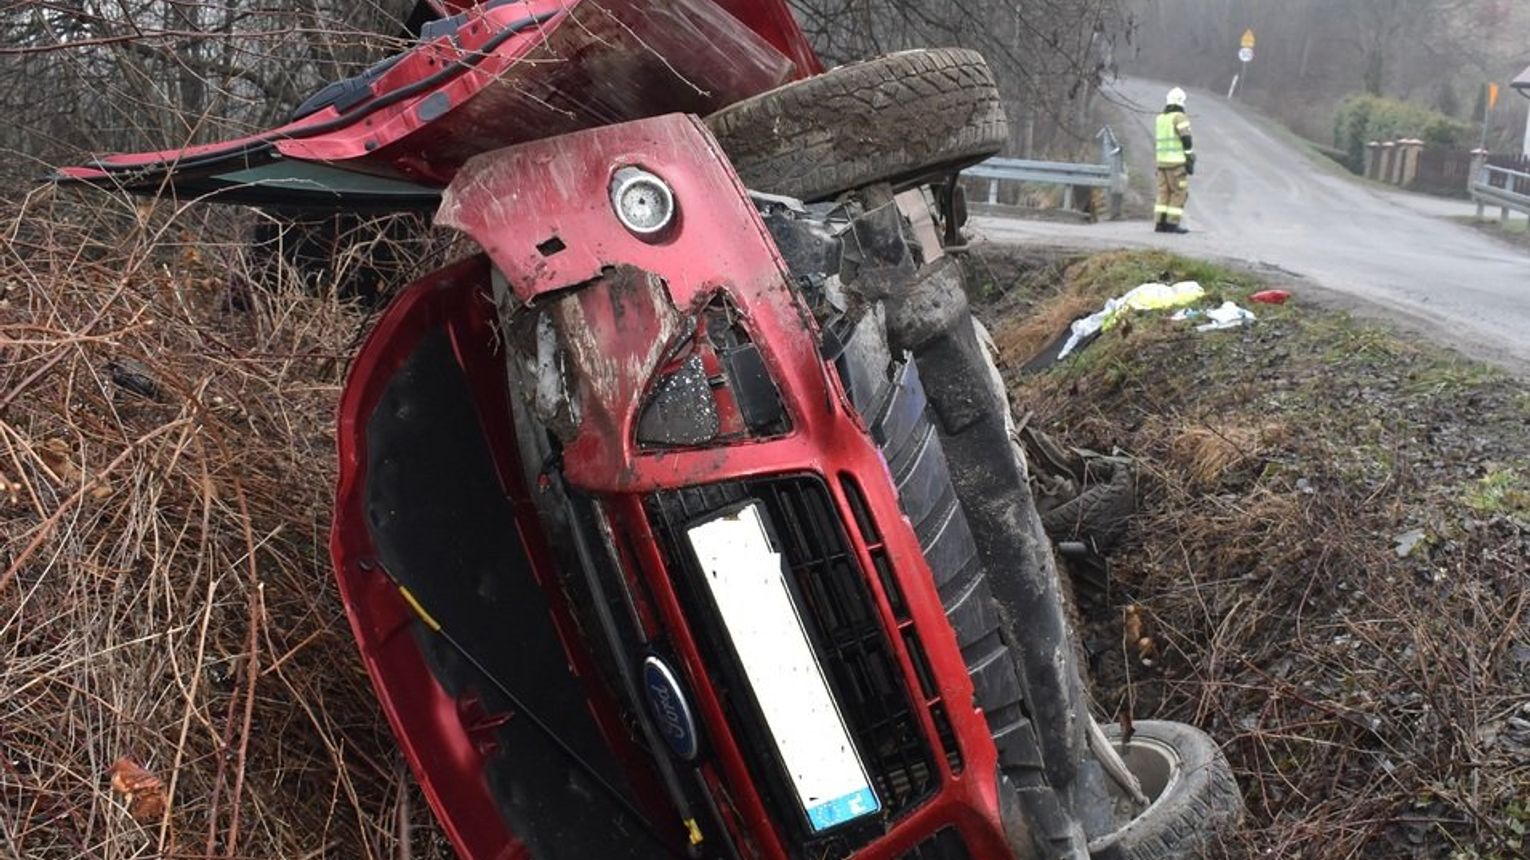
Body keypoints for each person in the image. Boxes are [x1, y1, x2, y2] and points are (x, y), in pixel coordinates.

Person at [1155, 87, 1195, 234]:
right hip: (1176, 164)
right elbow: (1186, 138)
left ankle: (1160, 223)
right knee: (1179, 192)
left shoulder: (1160, 118)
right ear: (1181, 101)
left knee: (1163, 193)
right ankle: (1172, 224)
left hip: (1161, 163)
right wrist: (1189, 157)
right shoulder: (1179, 117)